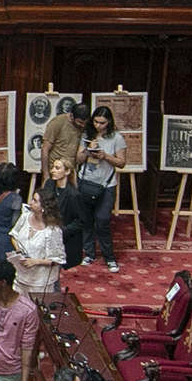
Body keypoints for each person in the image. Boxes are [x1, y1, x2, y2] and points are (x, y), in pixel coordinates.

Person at [70, 106, 125, 271]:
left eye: (102, 123)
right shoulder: (87, 134)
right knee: (86, 220)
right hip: (86, 182)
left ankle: (109, 257)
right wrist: (88, 150)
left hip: (106, 185)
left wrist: (105, 156)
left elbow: (121, 163)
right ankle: (89, 253)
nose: (98, 126)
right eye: (95, 122)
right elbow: (78, 159)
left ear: (109, 122)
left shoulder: (117, 138)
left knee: (102, 220)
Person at [10, 185, 65, 300]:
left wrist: (35, 261)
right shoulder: (25, 217)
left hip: (39, 282)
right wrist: (18, 250)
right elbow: (13, 235)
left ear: (44, 206)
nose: (30, 203)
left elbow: (57, 260)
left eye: (35, 201)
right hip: (21, 276)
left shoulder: (52, 231)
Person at [37, 98, 85, 198]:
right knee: (49, 200)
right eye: (80, 122)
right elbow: (45, 149)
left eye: (84, 123)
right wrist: (46, 175)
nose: (82, 125)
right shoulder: (57, 123)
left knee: (71, 199)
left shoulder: (83, 126)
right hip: (54, 170)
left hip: (71, 170)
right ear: (72, 116)